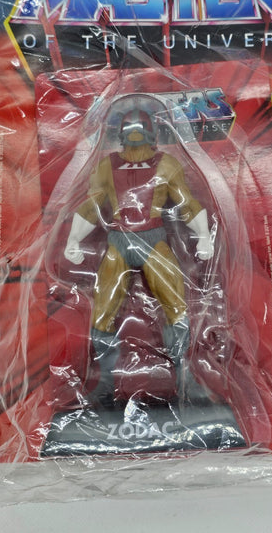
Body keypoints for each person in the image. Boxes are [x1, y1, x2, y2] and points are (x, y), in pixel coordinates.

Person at [64, 107, 214, 405]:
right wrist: (73, 239)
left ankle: (186, 376)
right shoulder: (107, 166)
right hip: (118, 239)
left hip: (153, 238)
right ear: (121, 135)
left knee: (175, 305)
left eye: (140, 130)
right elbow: (92, 205)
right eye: (130, 131)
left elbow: (186, 202)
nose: (135, 137)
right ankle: (104, 384)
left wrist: (204, 236)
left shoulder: (166, 164)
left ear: (151, 134)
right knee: (103, 310)